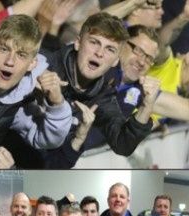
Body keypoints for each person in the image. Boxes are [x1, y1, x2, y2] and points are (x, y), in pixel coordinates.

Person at [40, 13, 156, 169]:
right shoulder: (43, 66)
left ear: (116, 60)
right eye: (94, 42)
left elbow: (122, 144)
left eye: (110, 49)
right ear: (78, 43)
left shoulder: (103, 96)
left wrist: (146, 107)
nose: (99, 53)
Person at [0, 15, 73, 166]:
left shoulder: (18, 101)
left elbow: (45, 139)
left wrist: (57, 103)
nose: (9, 61)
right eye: (3, 49)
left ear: (32, 64)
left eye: (21, 55)